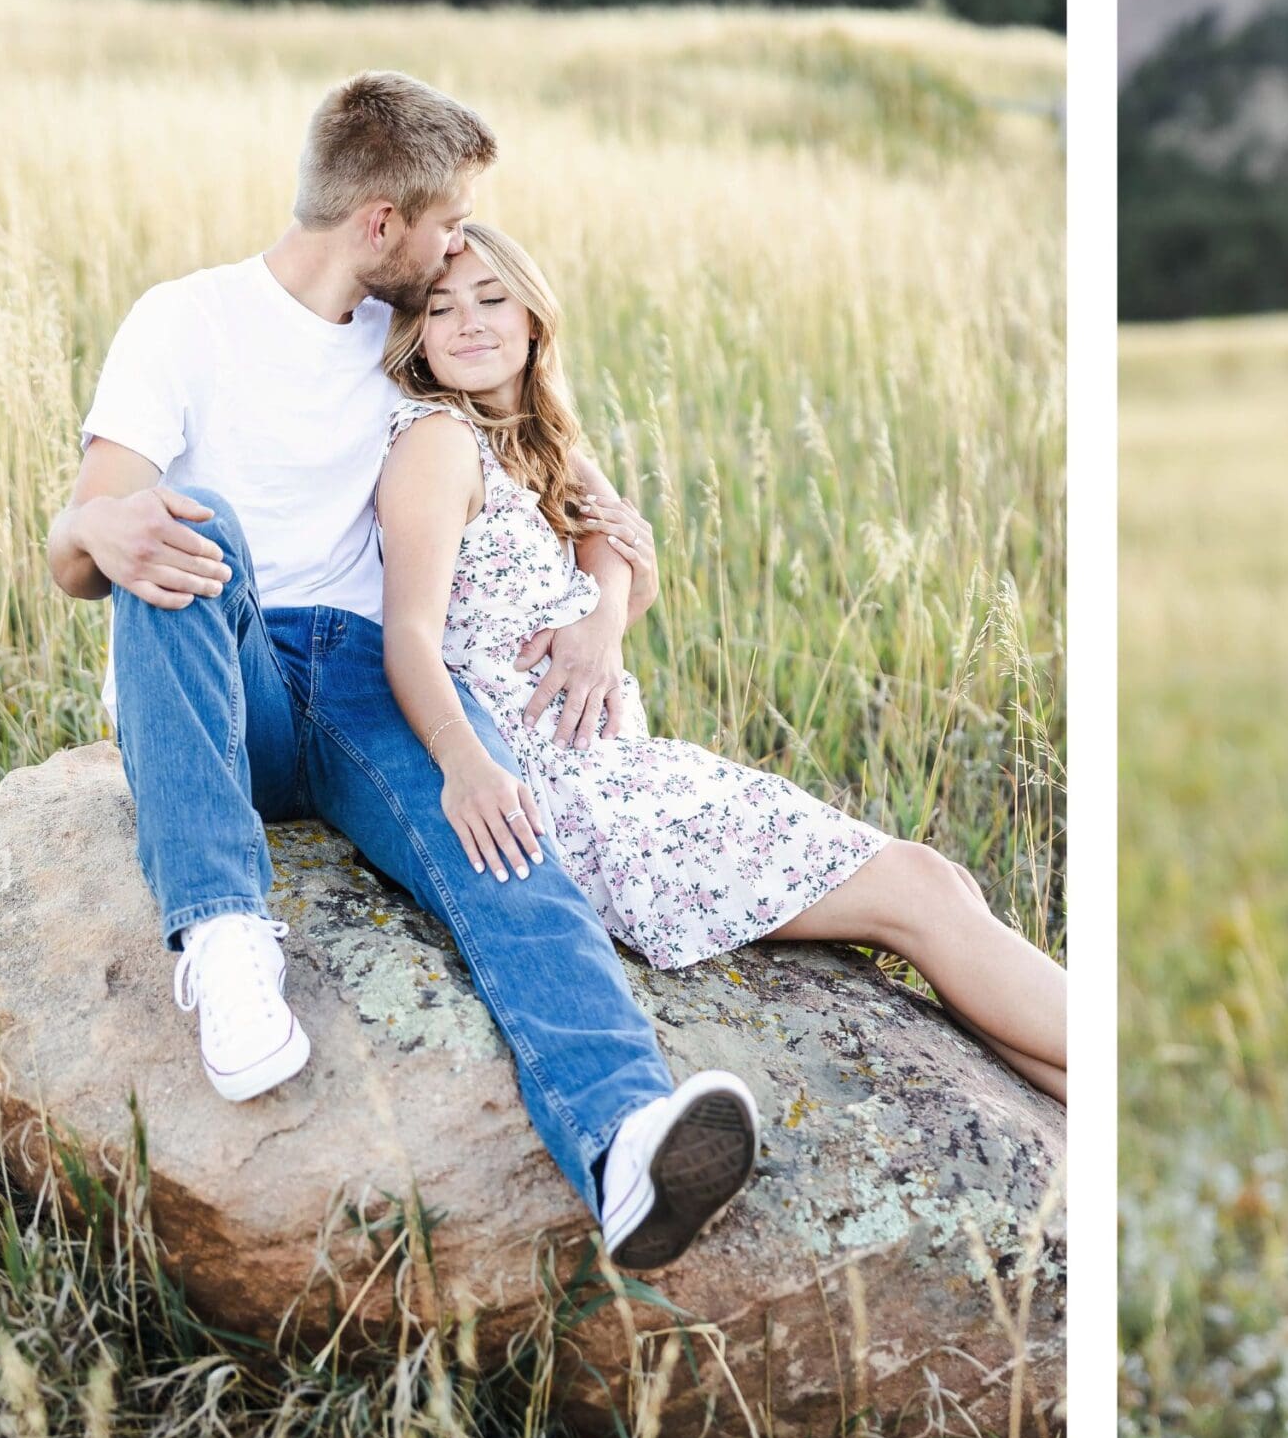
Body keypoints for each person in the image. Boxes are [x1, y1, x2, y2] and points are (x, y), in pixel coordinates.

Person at [44, 70, 760, 1278]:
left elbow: (574, 478)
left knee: (501, 835)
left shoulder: (416, 334)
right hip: (230, 674)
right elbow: (79, 541)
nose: (457, 251)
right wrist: (97, 534)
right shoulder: (186, 320)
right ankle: (223, 937)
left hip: (374, 673)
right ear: (381, 224)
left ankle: (625, 1133)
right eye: (445, 226)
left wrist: (604, 603)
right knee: (192, 523)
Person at [369, 218, 1070, 1144]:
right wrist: (461, 759)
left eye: (493, 299)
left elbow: (611, 536)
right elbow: (407, 636)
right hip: (572, 794)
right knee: (921, 891)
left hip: (623, 767)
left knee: (939, 895)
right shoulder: (438, 444)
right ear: (413, 333)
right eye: (440, 306)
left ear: (535, 318)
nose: (468, 323)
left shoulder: (533, 438)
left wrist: (601, 624)